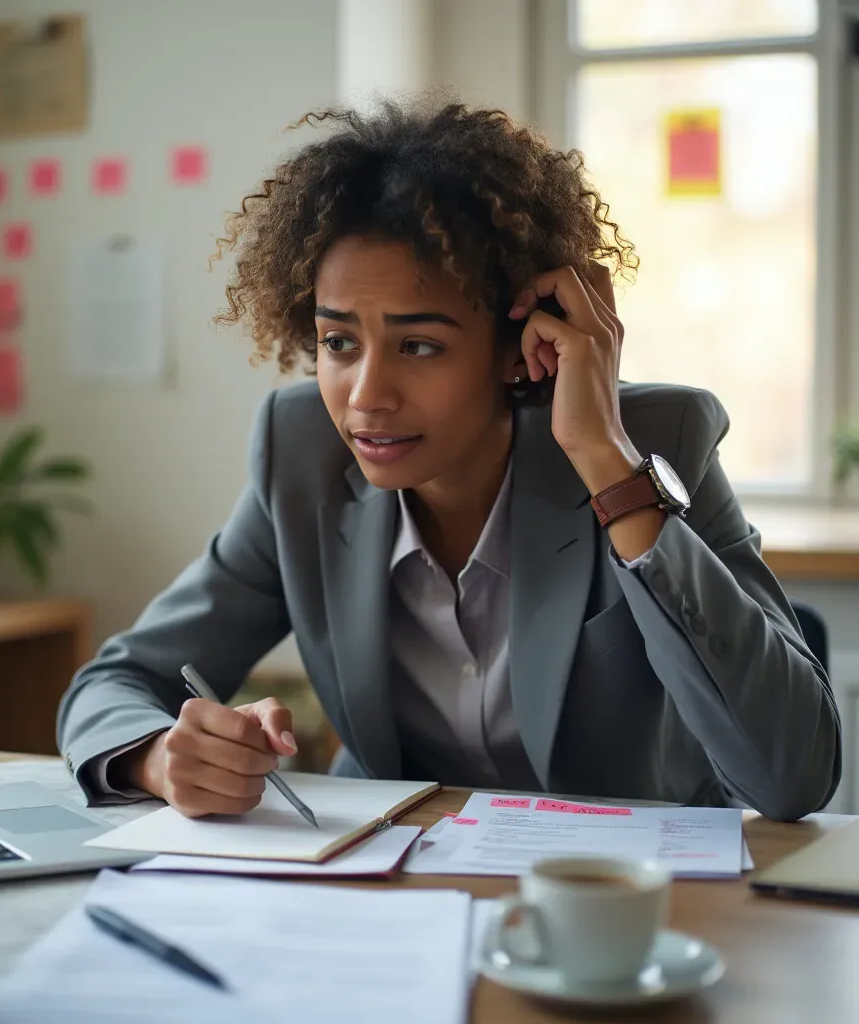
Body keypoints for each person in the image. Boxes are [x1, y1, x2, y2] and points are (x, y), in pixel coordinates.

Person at [57, 100, 840, 823]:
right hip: (392, 901)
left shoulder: (658, 438)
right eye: (338, 342)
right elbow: (115, 684)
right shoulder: (300, 457)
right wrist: (161, 758)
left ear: (518, 345)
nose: (366, 396)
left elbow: (792, 777)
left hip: (617, 909)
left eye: (419, 345)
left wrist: (608, 465)